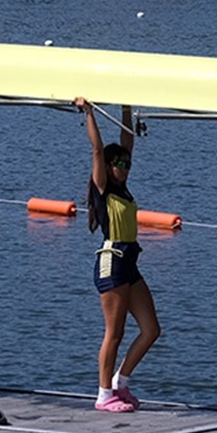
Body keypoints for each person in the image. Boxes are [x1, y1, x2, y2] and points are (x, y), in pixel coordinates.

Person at [79, 97, 158, 413]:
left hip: (131, 263)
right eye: (119, 164)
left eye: (128, 165)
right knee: (115, 332)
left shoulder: (124, 189)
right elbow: (98, 151)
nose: (125, 168)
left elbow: (127, 139)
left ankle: (120, 382)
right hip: (111, 262)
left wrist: (127, 107)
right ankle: (102, 394)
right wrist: (89, 113)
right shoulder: (103, 189)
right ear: (109, 168)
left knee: (151, 329)